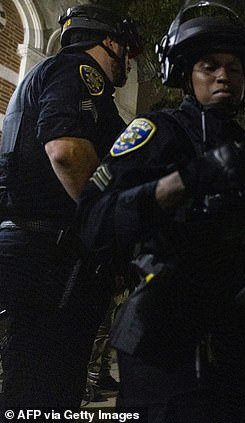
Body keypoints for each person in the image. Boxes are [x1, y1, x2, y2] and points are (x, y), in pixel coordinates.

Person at [77, 3, 245, 422]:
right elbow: (95, 220)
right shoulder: (156, 132)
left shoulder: (244, 149)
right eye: (209, 66)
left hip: (238, 349)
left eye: (234, 67)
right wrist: (184, 182)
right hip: (167, 349)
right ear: (185, 74)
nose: (223, 76)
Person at [0, 4, 139, 411]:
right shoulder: (80, 72)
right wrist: (108, 230)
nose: (127, 65)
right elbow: (66, 151)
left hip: (33, 249)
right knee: (46, 392)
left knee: (31, 385)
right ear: (109, 41)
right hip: (51, 258)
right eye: (126, 53)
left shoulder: (46, 75)